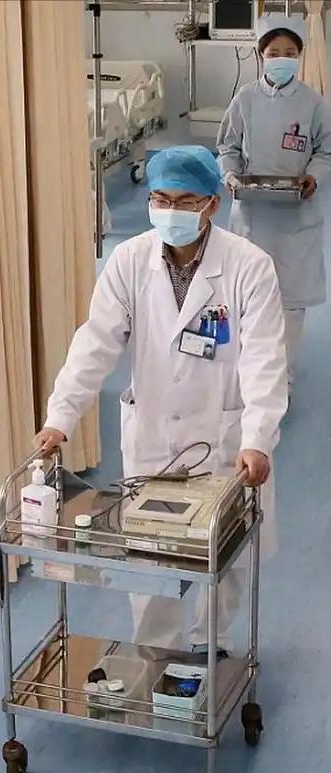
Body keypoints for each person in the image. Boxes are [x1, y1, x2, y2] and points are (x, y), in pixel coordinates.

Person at [35, 146, 287, 653]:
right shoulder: (129, 261)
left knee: (225, 552)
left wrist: (258, 437)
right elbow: (95, 343)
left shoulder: (248, 267)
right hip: (153, 432)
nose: (170, 211)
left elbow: (264, 359)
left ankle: (209, 642)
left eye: (184, 201)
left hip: (223, 434)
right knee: (149, 551)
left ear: (211, 204)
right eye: (160, 199)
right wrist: (61, 416)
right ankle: (156, 647)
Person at [217, 14, 330, 387]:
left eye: (290, 53)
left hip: (297, 216)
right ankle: (245, 375)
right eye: (274, 52)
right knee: (246, 297)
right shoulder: (245, 99)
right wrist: (231, 175)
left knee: (290, 303)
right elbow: (227, 147)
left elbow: (326, 150)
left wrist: (313, 176)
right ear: (261, 55)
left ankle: (281, 380)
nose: (282, 59)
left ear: (299, 56)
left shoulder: (313, 103)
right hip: (252, 214)